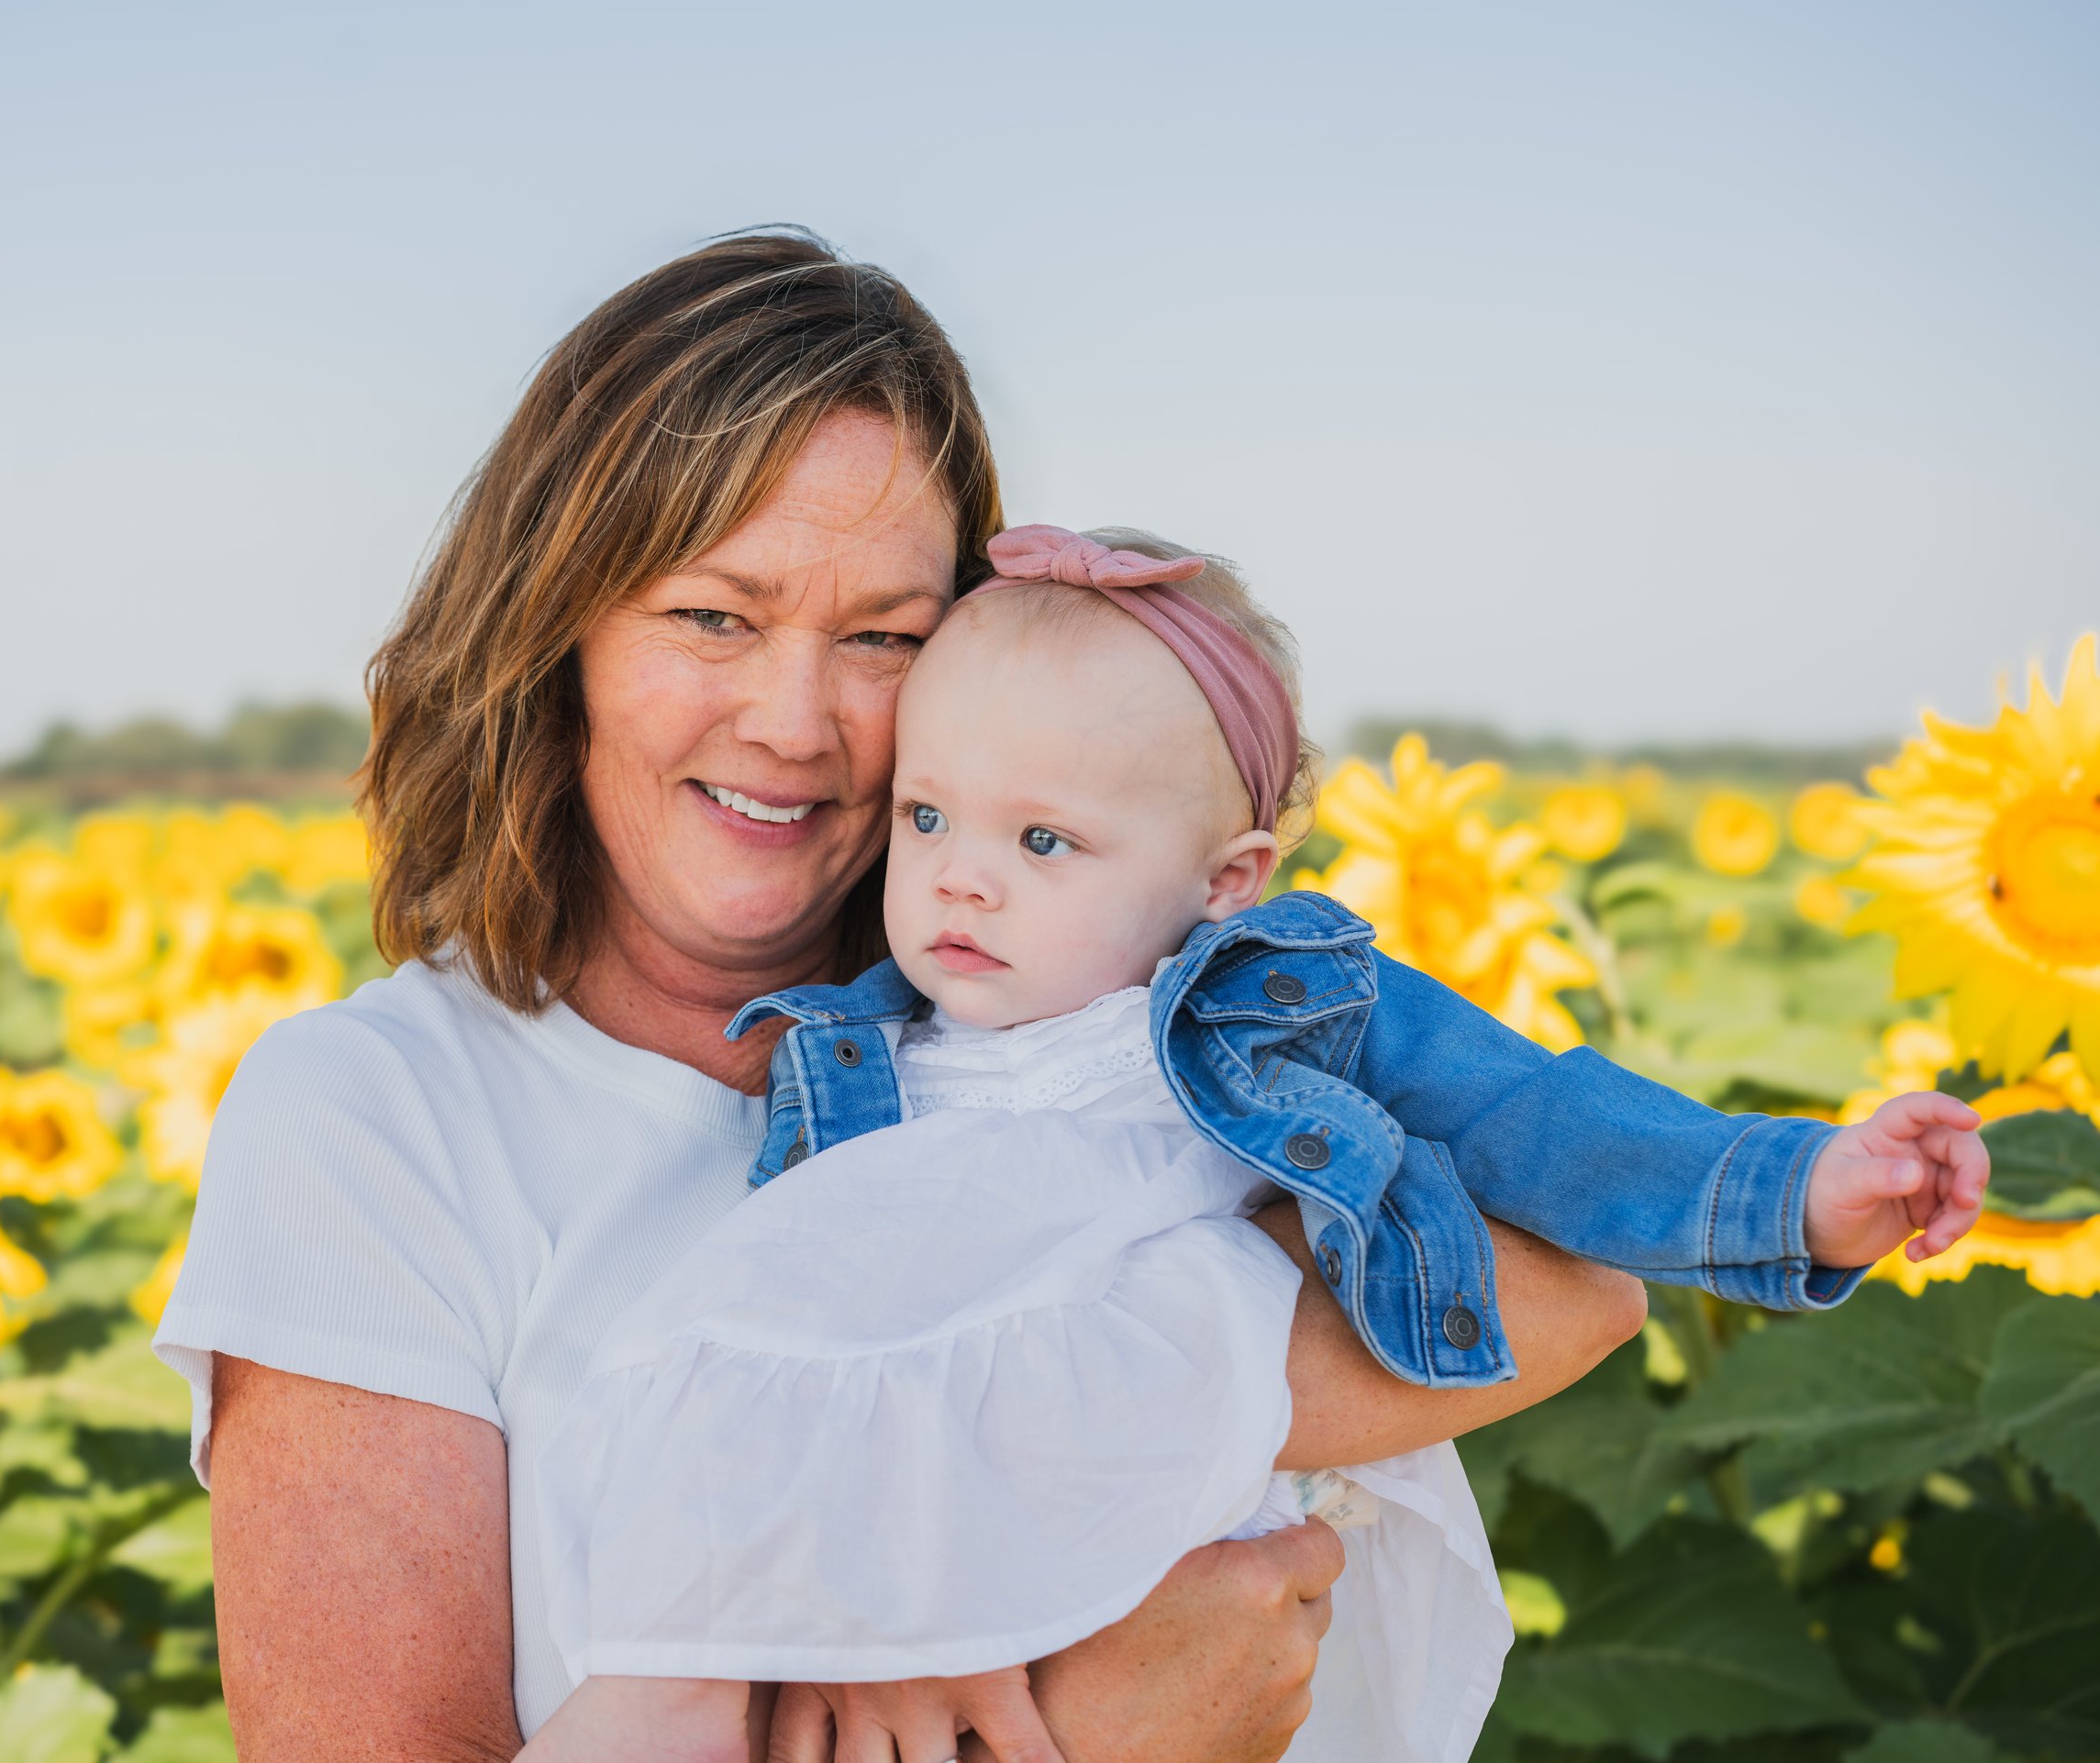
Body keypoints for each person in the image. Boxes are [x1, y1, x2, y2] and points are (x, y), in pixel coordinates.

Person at [153, 231, 1651, 1763]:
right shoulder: (377, 1116)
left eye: (883, 638)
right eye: (713, 616)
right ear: (558, 632)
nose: (794, 722)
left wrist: (961, 1484)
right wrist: (1085, 1725)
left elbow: (1575, 1280)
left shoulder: (1092, 1028)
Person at [518, 527, 1991, 1763]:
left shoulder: (1259, 1017)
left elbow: (1531, 1115)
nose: (961, 875)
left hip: (1149, 1531)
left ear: (1227, 883)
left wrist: (1797, 1190)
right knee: (670, 1658)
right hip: (885, 1514)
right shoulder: (850, 1058)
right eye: (928, 814)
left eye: (1044, 843)